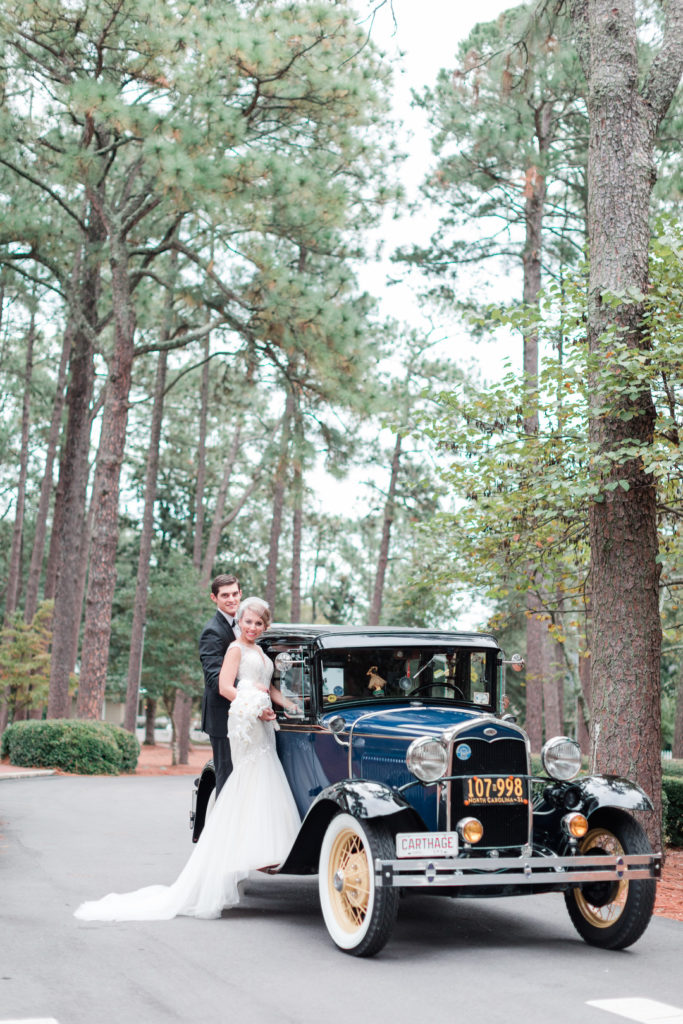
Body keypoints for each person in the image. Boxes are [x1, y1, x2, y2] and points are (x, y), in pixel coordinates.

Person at [74, 597, 300, 922]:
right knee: (245, 785)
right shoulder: (235, 649)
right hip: (248, 721)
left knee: (262, 785)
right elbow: (225, 687)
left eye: (258, 624)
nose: (252, 628)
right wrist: (255, 705)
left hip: (264, 722)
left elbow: (269, 687)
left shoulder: (261, 652)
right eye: (247, 622)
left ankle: (263, 852)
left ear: (265, 625)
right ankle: (223, 862)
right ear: (240, 621)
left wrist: (290, 705)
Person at [198, 574, 242, 795]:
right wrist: (250, 696)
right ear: (214, 598)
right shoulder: (212, 631)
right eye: (225, 595)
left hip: (244, 715)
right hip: (222, 717)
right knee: (227, 776)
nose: (231, 599)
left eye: (235, 594)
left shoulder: (247, 624)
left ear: (240, 594)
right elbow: (214, 679)